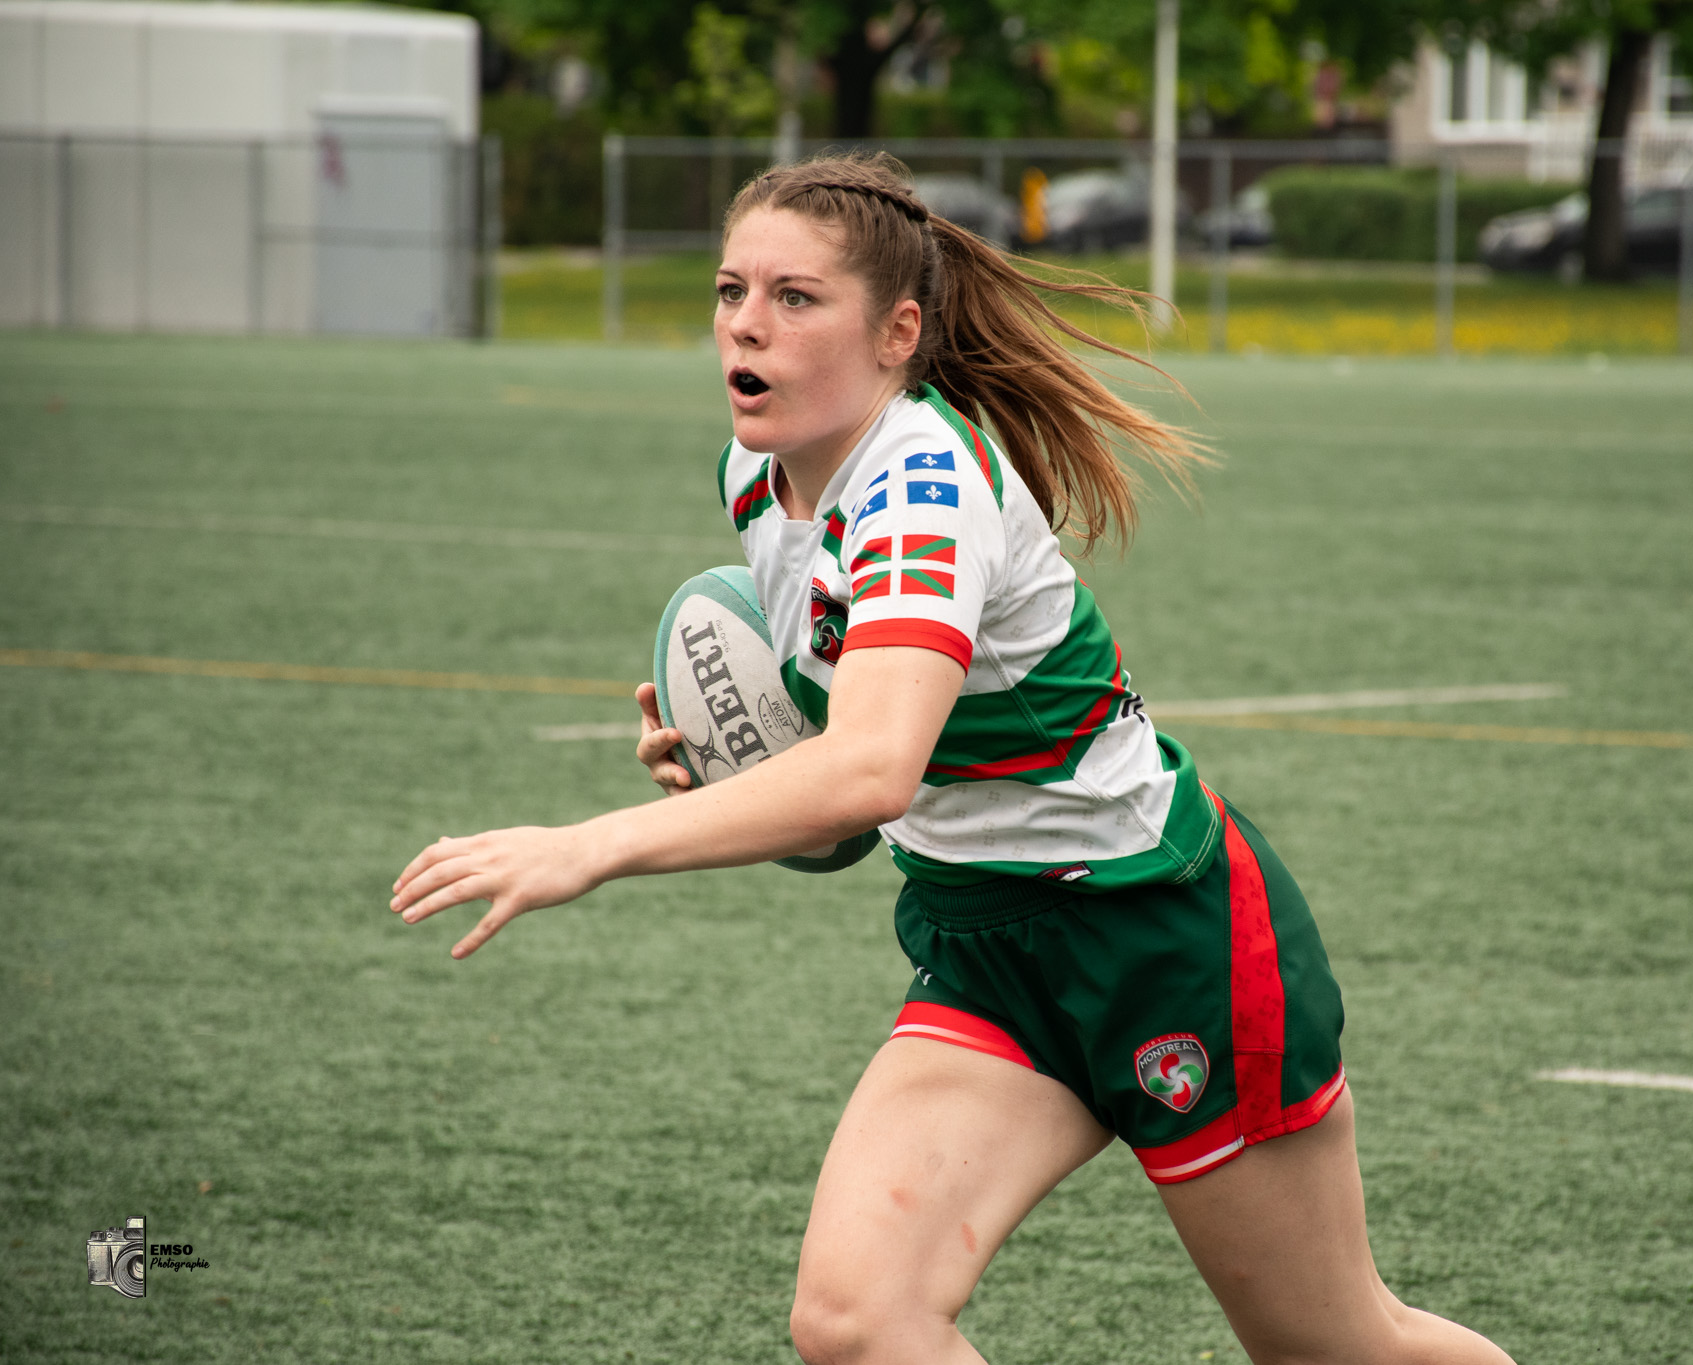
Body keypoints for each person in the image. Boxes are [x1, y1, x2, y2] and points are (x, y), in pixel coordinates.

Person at [391, 152, 1514, 1365]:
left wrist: (590, 845)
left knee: (1335, 1346)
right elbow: (856, 801)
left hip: (1159, 942)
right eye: (729, 291)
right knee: (856, 1322)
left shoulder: (922, 491)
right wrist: (739, 768)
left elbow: (871, 769)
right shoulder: (754, 478)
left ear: (898, 331)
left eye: (794, 298)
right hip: (982, 945)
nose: (745, 326)